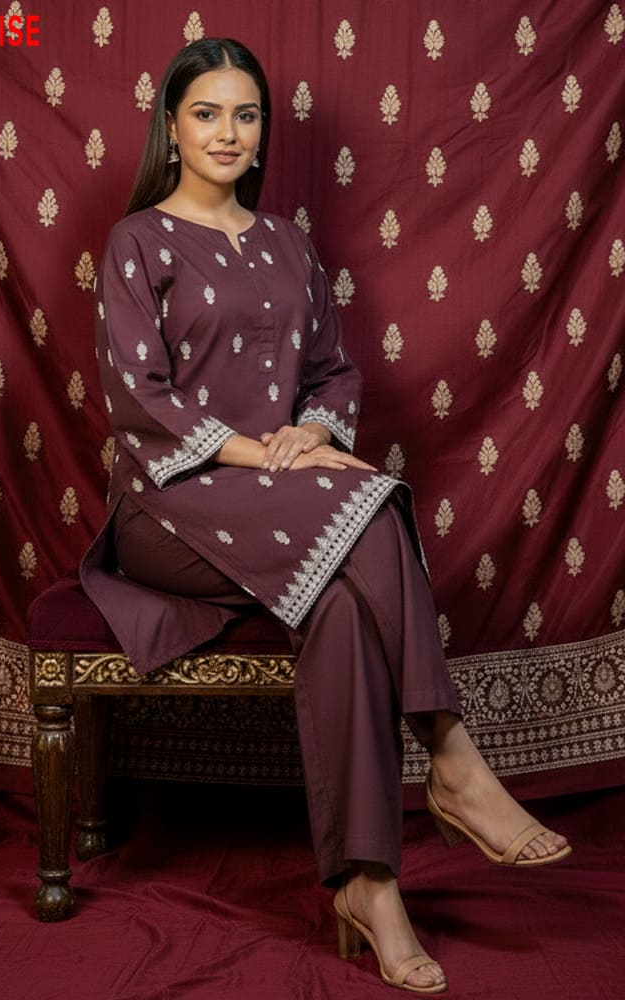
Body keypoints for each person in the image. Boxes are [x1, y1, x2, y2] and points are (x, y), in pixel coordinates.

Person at [81, 37, 571, 994]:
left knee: (344, 601)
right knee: (370, 495)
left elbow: (334, 372)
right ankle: (452, 755)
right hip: (173, 506)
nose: (230, 132)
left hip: (296, 501)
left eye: (247, 114)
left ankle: (370, 886)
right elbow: (137, 400)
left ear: (263, 134)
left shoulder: (287, 245)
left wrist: (309, 430)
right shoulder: (135, 242)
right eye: (208, 113)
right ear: (172, 129)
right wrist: (253, 450)